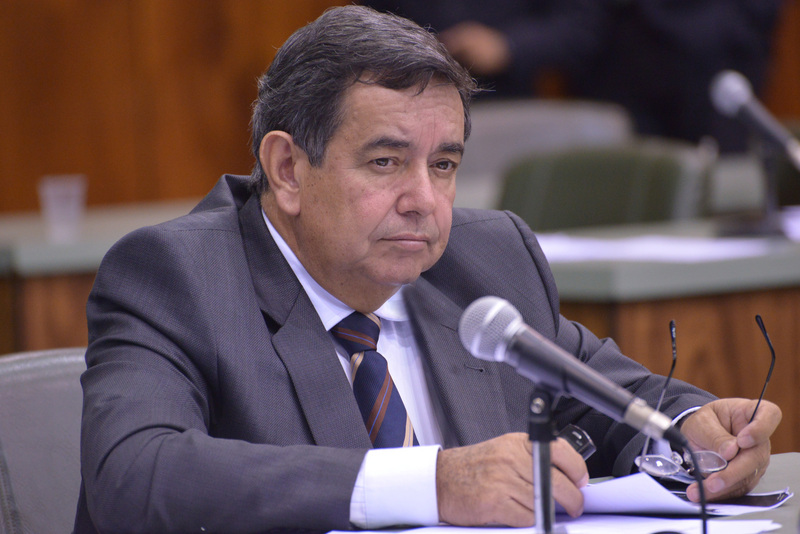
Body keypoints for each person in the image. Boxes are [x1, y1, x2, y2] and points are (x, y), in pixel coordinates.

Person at [74, 6, 781, 533]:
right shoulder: (178, 275)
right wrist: (434, 483)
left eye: (443, 165)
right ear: (287, 168)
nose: (424, 201)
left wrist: (693, 429)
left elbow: (611, 396)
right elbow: (133, 474)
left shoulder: (485, 256)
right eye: (385, 162)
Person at [361, 0, 783, 153]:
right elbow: (371, 22)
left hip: (712, 68)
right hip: (410, 100)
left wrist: (508, 46)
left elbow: (578, 24)